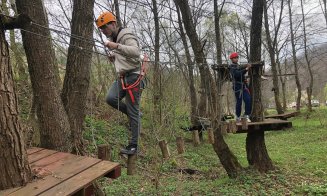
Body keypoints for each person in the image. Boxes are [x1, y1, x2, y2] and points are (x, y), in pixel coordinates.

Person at [96, 11, 143, 155]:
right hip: (123, 77)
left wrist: (115, 47)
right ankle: (134, 114)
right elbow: (125, 56)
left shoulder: (126, 35)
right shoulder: (115, 37)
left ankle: (134, 146)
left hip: (134, 77)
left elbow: (135, 51)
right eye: (101, 29)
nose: (103, 31)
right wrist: (114, 57)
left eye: (105, 27)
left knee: (133, 111)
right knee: (111, 98)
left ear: (114, 24)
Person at [229, 52, 252, 122]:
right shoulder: (231, 67)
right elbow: (237, 74)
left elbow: (241, 71)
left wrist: (245, 68)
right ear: (232, 59)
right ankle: (238, 117)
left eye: (237, 58)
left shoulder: (238, 66)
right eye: (234, 58)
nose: (236, 59)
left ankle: (246, 115)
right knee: (239, 102)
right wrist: (246, 69)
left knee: (248, 100)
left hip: (243, 86)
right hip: (237, 86)